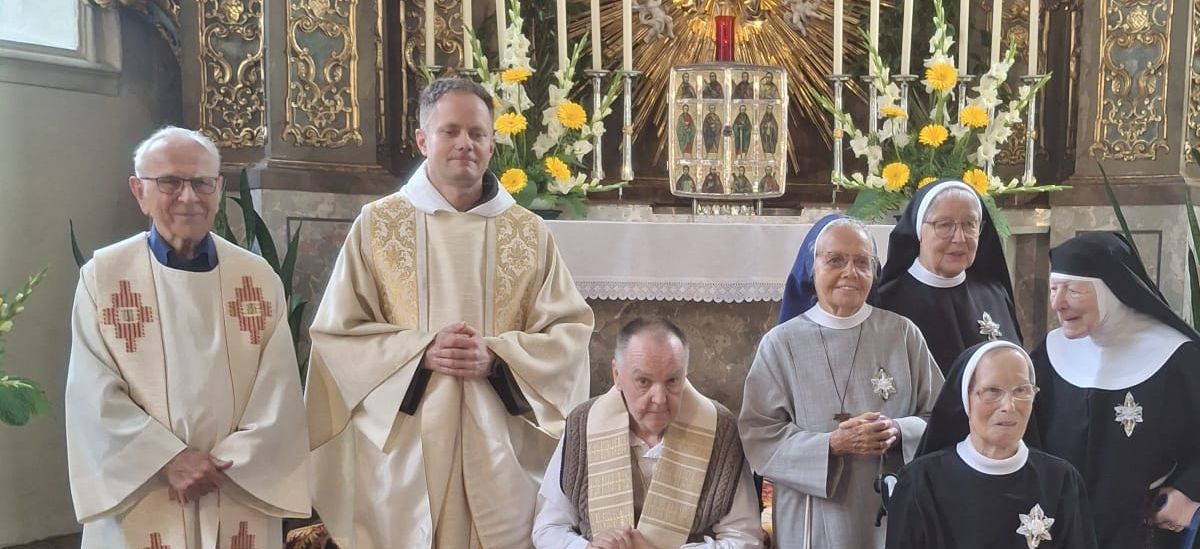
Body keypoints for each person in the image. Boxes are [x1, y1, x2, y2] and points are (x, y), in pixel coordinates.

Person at [305, 77, 596, 548]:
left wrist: (498, 360)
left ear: (492, 141)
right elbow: (340, 334)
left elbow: (568, 332)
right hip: (408, 445)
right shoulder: (378, 225)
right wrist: (420, 352)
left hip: (502, 440)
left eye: (478, 133)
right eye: (450, 131)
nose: (466, 143)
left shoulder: (528, 232)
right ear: (423, 139)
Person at [66, 126, 309, 548]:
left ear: (218, 188)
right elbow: (92, 394)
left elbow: (280, 393)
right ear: (138, 190)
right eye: (170, 182)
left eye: (201, 182)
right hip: (145, 490)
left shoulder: (256, 278)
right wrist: (168, 460)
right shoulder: (104, 277)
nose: (188, 196)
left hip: (234, 486)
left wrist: (221, 464)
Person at [1027, 232, 1200, 549]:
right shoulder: (1049, 353)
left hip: (1145, 530)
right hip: (1063, 525)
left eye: (1074, 290)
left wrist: (1189, 491)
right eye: (1054, 288)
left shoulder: (1174, 354)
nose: (1058, 303)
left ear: (1109, 291)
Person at [739, 216, 943, 549]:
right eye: (835, 260)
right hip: (813, 514)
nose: (850, 272)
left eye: (862, 262)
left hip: (888, 509)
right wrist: (831, 445)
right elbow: (758, 434)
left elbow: (942, 419)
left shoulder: (903, 335)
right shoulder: (781, 344)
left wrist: (898, 430)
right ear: (812, 268)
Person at [533, 318, 764, 549]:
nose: (660, 399)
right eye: (644, 381)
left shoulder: (719, 430)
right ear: (617, 375)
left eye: (673, 381)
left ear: (685, 373)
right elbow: (548, 528)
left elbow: (745, 539)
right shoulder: (583, 425)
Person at [888, 341, 1096, 549]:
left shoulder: (1061, 481)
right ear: (966, 397)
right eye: (992, 391)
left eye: (1022, 390)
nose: (1009, 406)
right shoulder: (921, 482)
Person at [878, 180, 1022, 375]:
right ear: (919, 230)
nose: (959, 238)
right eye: (944, 225)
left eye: (969, 224)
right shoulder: (887, 304)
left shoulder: (994, 294)